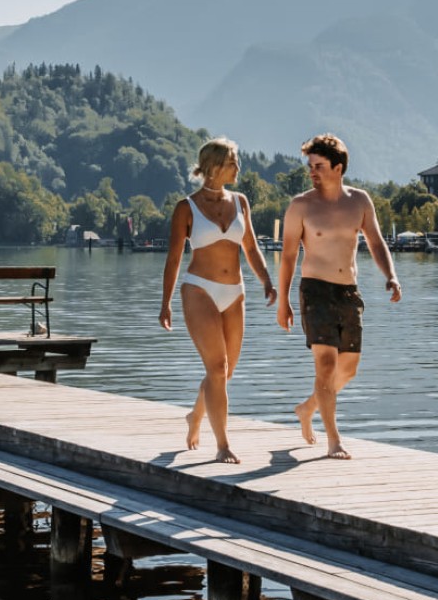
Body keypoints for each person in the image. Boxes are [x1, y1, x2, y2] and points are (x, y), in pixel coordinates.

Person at [276, 133, 401, 460]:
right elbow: (288, 255)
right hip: (315, 290)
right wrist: (284, 301)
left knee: (348, 369)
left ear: (338, 167)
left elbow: (375, 242)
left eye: (318, 166)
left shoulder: (359, 201)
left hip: (348, 292)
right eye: (310, 166)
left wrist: (391, 275)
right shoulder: (300, 205)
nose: (311, 172)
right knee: (326, 365)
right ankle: (333, 440)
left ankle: (308, 408)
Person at [160, 137, 277, 463]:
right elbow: (172, 259)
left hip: (235, 293)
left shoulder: (240, 201)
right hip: (199, 289)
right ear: (212, 167)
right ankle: (223, 444)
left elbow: (251, 249)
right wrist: (165, 302)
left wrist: (267, 281)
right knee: (217, 366)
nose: (238, 167)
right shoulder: (186, 207)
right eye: (232, 162)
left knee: (225, 372)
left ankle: (196, 415)